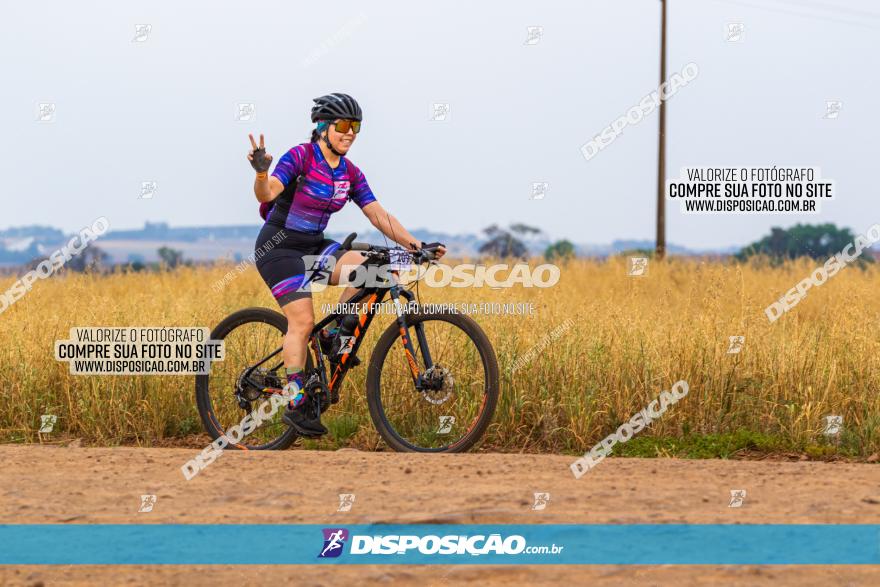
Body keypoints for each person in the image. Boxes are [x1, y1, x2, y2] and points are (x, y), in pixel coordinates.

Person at [246, 92, 446, 437]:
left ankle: (334, 334)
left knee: (373, 267)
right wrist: (262, 173)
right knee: (302, 321)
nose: (350, 132)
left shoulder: (349, 173)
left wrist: (417, 246)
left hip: (314, 247)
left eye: (356, 126)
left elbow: (377, 214)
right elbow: (268, 193)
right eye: (343, 125)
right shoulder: (301, 156)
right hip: (279, 249)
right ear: (323, 127)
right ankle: (296, 401)